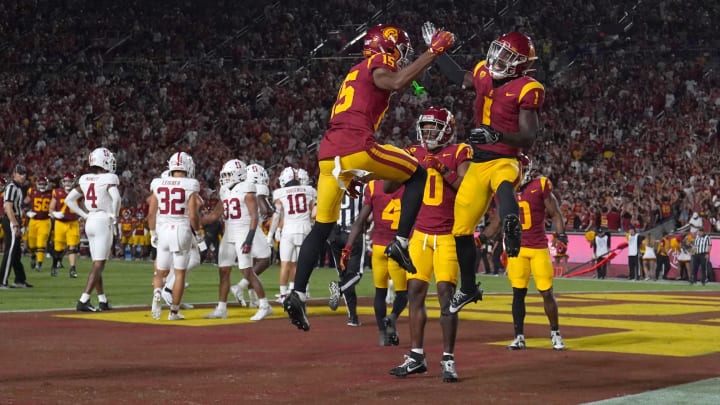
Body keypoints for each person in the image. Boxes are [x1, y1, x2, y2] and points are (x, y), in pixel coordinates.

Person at [284, 23, 456, 331]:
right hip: (355, 145)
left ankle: (297, 292)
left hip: (328, 156)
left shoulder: (354, 71)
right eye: (400, 50)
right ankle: (402, 241)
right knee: (417, 173)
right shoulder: (381, 62)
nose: (402, 56)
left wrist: (352, 173)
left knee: (321, 228)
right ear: (388, 47)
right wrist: (434, 52)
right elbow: (398, 80)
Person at [422, 23, 543, 313]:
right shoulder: (483, 74)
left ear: (520, 64)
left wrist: (496, 135)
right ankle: (468, 287)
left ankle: (510, 225)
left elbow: (528, 137)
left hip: (505, 156)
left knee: (504, 184)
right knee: (461, 230)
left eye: (506, 56)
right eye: (498, 52)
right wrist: (436, 52)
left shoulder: (528, 88)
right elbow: (460, 77)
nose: (497, 60)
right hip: (478, 161)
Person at [388, 106, 471, 382]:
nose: (428, 133)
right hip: (420, 234)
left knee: (447, 296)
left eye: (433, 128)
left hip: (448, 234)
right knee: (415, 292)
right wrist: (391, 164)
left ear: (447, 129)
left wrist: (444, 171)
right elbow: (390, 185)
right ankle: (416, 356)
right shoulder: (414, 153)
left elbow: (468, 188)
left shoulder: (460, 152)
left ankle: (448, 358)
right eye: (425, 128)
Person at [484, 155, 567, 351]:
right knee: (517, 294)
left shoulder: (540, 185)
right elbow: (497, 221)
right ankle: (519, 336)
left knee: (546, 292)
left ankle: (555, 333)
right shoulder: (503, 190)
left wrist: (561, 235)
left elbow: (555, 213)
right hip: (516, 249)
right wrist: (481, 238)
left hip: (538, 247)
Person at [202, 159, 273, 321]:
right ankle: (221, 308)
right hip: (229, 232)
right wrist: (195, 219)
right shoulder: (225, 191)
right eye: (224, 175)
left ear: (239, 174)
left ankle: (264, 305)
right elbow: (214, 215)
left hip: (243, 231)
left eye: (228, 174)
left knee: (247, 271)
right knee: (223, 270)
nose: (225, 178)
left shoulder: (247, 189)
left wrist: (249, 240)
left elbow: (254, 216)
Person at [340, 179, 407, 345]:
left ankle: (383, 334)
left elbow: (360, 220)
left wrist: (348, 246)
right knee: (403, 293)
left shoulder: (373, 186)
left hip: (378, 247)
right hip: (398, 246)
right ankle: (392, 317)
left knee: (380, 292)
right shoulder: (407, 185)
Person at [147, 152, 202, 320]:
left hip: (162, 230)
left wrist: (152, 232)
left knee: (160, 272)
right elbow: (193, 215)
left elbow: (151, 213)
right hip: (181, 230)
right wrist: (198, 232)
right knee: (179, 274)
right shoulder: (190, 184)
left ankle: (157, 292)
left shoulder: (158, 183)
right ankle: (174, 312)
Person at [65, 148, 121, 311]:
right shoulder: (109, 178)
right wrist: (114, 215)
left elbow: (69, 200)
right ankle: (84, 300)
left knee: (97, 262)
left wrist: (84, 215)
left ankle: (102, 299)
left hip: (91, 220)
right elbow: (116, 198)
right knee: (99, 263)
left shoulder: (85, 178)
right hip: (103, 219)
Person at [267, 166, 316, 304]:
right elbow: (314, 212)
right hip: (305, 230)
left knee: (285, 264)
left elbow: (277, 216)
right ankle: (300, 291)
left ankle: (283, 295)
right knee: (301, 265)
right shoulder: (309, 191)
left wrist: (271, 234)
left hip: (288, 231)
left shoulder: (280, 193)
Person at [229, 162, 274, 308]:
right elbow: (263, 205)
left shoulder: (239, 188)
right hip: (251, 228)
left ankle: (253, 299)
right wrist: (269, 210)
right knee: (265, 260)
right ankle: (240, 287)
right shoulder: (257, 188)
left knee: (252, 264)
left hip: (240, 228)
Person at [327, 181, 365, 326]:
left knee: (345, 276)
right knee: (355, 274)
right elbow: (367, 213)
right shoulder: (362, 186)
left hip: (335, 234)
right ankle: (339, 288)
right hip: (352, 233)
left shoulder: (333, 184)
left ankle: (353, 318)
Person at [1, 165, 31, 288]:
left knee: (16, 252)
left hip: (15, 220)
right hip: (10, 220)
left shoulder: (18, 188)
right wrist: (14, 224)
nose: (22, 176)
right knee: (11, 250)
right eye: (20, 173)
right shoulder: (12, 187)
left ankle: (19, 279)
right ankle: (2, 280)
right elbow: (8, 207)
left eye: (24, 174)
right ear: (14, 174)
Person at [48, 172, 81, 278]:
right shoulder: (57, 192)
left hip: (73, 223)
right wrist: (54, 213)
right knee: (58, 248)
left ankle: (72, 269)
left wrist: (84, 215)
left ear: (74, 182)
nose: (68, 183)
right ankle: (54, 266)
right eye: (66, 181)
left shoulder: (78, 193)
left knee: (73, 247)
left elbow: (83, 206)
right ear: (62, 182)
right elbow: (51, 208)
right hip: (60, 223)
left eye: (70, 181)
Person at [23, 175, 53, 272]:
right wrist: (27, 211)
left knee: (41, 243)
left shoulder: (52, 193)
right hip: (33, 221)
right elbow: (23, 203)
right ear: (37, 184)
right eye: (40, 184)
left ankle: (39, 263)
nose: (42, 185)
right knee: (31, 244)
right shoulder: (32, 191)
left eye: (44, 184)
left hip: (45, 221)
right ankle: (32, 257)